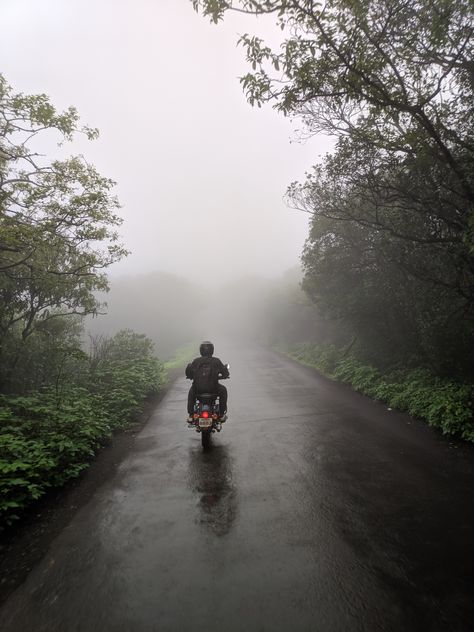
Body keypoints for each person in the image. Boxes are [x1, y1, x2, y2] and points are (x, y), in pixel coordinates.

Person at [185, 341, 229, 422]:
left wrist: (190, 376)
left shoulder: (196, 361)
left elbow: (189, 373)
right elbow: (225, 372)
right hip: (214, 389)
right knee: (223, 390)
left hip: (198, 389)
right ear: (212, 350)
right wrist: (225, 376)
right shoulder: (216, 361)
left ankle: (191, 415)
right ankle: (222, 414)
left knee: (191, 394)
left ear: (201, 350)